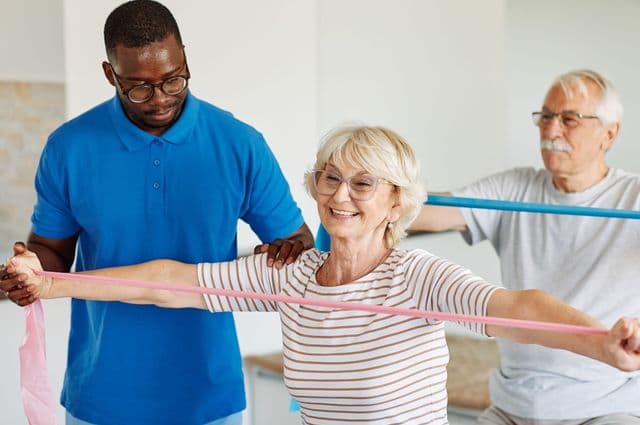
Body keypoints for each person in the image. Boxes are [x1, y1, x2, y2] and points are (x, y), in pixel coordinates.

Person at [7, 126, 640, 425]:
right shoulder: (294, 277)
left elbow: (519, 308)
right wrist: (56, 284)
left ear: (397, 202)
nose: (341, 195)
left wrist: (601, 344)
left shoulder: (417, 277)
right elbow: (169, 283)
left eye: (364, 182)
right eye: (330, 177)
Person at [0, 1, 313, 424]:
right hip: (102, 395)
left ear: (184, 56)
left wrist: (278, 257)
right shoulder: (69, 148)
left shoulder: (240, 144)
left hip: (208, 396)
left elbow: (298, 243)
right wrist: (30, 271)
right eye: (139, 88)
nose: (161, 98)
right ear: (111, 74)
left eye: (174, 80)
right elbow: (51, 255)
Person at [409, 70, 640, 424]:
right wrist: (370, 196)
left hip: (607, 407)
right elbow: (430, 212)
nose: (551, 130)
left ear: (610, 133)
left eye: (569, 119)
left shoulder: (633, 197)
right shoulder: (515, 188)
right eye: (545, 116)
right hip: (513, 407)